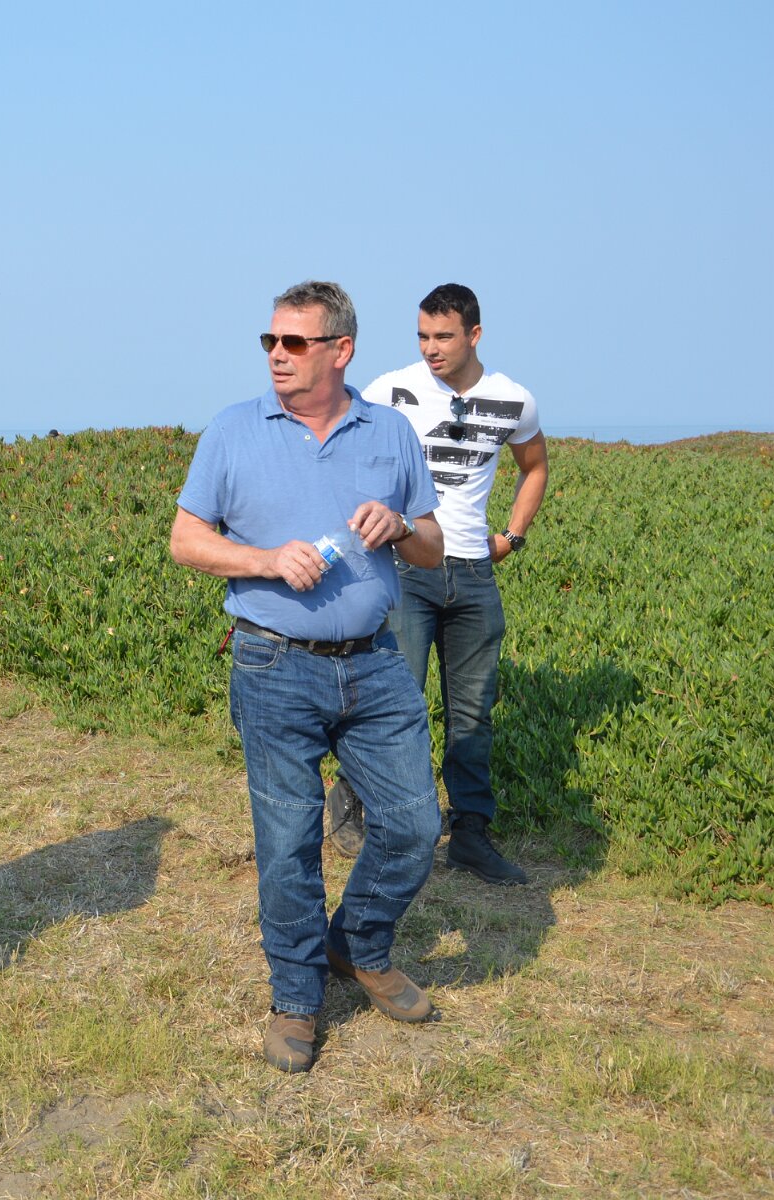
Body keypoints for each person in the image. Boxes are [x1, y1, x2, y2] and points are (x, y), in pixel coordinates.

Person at [168, 281, 446, 1073]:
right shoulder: (232, 430)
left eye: (294, 343)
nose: (277, 356)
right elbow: (185, 541)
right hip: (272, 665)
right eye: (270, 342)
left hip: (376, 664)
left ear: (340, 350)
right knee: (288, 843)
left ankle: (355, 945)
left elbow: (431, 548)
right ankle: (295, 1000)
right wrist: (262, 561)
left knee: (414, 825)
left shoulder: (389, 433)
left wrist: (401, 525)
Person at [332, 285, 549, 887]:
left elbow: (535, 466)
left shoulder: (513, 400)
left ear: (474, 335)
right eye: (423, 336)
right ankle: (354, 802)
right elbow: (339, 443)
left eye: (444, 336)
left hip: (475, 573)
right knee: (394, 699)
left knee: (474, 712)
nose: (431, 348)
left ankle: (471, 836)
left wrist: (512, 537)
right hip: (408, 566)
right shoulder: (390, 390)